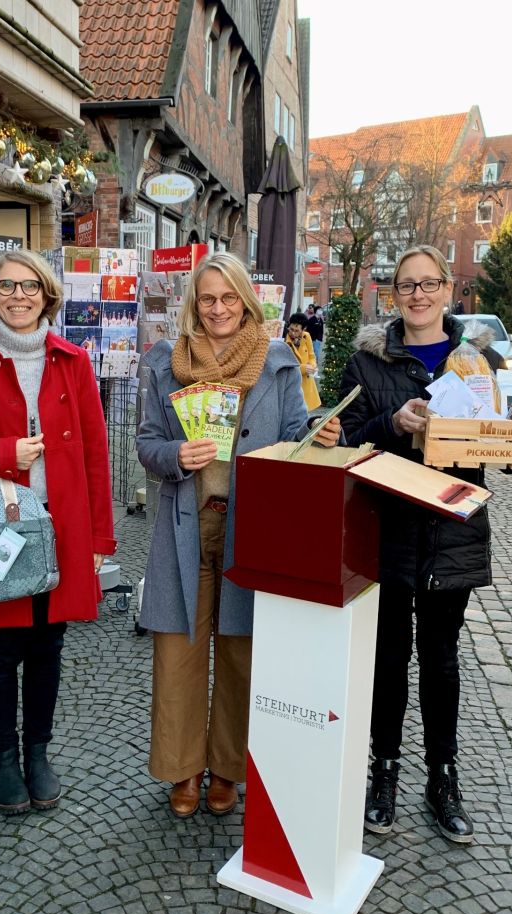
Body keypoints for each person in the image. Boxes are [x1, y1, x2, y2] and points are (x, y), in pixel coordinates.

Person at [136, 252, 341, 818]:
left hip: (252, 526)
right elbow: (146, 443)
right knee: (177, 650)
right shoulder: (166, 361)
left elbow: (298, 432)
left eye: (229, 298)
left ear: (247, 301)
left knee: (242, 652)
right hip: (186, 521)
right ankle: (182, 768)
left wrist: (320, 432)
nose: (219, 309)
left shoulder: (278, 362)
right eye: (208, 299)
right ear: (194, 306)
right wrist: (175, 454)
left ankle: (227, 768)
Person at [0, 249, 116, 815]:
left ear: (47, 294)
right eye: (7, 287)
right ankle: (3, 759)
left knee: (49, 644)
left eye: (30, 287)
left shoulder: (73, 361)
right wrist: (6, 454)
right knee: (1, 647)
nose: (19, 296)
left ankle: (38, 753)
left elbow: (96, 455)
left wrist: (101, 541)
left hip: (59, 525)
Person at [338, 244, 504, 845]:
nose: (418, 294)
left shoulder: (481, 359)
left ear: (446, 290)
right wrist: (392, 424)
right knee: (387, 657)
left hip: (452, 533)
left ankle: (443, 777)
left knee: (440, 658)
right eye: (407, 285)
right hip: (388, 529)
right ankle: (383, 773)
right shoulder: (368, 363)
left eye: (428, 283)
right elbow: (344, 438)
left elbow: (507, 439)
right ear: (395, 295)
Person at [285, 313, 321, 411]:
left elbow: (312, 356)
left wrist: (312, 366)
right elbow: (286, 365)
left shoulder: (306, 336)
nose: (293, 333)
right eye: (291, 329)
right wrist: (303, 368)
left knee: (306, 414)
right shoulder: (284, 340)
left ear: (303, 329)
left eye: (297, 331)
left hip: (306, 382)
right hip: (292, 383)